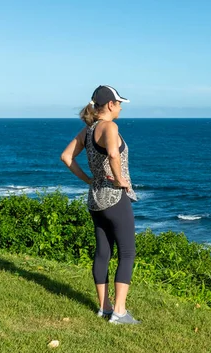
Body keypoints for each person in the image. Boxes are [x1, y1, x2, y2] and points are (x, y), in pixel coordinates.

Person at [60, 85, 140, 325]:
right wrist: (119, 180)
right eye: (119, 103)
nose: (121, 107)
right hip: (115, 196)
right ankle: (120, 311)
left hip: (95, 198)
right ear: (110, 105)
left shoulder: (87, 130)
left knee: (103, 251)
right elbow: (114, 155)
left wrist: (88, 179)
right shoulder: (110, 127)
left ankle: (104, 308)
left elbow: (66, 157)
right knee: (127, 252)